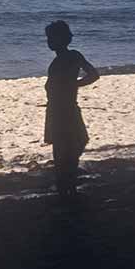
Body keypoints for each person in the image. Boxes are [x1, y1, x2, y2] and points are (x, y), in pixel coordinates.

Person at [43, 20, 99, 199]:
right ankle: (67, 184)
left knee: (70, 145)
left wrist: (74, 85)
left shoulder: (67, 58)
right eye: (48, 38)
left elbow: (93, 75)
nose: (49, 41)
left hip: (63, 109)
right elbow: (92, 75)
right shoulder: (70, 57)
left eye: (51, 38)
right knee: (70, 145)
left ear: (62, 39)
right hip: (61, 108)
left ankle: (66, 183)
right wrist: (75, 85)